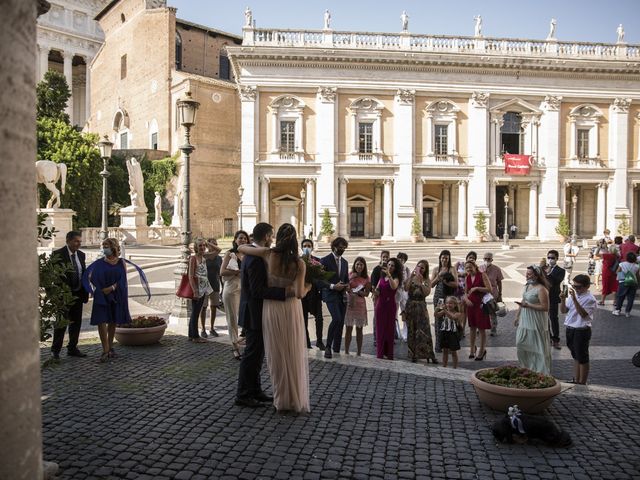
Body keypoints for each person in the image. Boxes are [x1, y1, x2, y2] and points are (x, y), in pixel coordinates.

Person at [239, 223, 310, 413]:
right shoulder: (299, 263)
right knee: (289, 353)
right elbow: (298, 293)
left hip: (270, 310)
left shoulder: (267, 255)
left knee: (274, 355)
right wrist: (308, 286)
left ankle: (271, 394)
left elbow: (240, 247)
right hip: (289, 309)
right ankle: (246, 393)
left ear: (277, 238)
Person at [234, 223, 290, 409]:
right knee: (251, 355)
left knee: (257, 354)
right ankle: (243, 394)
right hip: (254, 314)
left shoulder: (252, 254)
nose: (272, 238)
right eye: (271, 235)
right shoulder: (255, 259)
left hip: (255, 312)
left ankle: (255, 390)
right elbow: (258, 291)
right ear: (266, 236)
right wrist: (283, 293)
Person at [82, 237, 149, 363]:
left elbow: (123, 279)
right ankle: (105, 349)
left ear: (113, 247)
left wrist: (112, 287)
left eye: (106, 246)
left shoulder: (121, 262)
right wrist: (99, 287)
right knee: (101, 321)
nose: (104, 248)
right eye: (103, 246)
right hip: (101, 295)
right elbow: (89, 276)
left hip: (115, 294)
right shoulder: (99, 263)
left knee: (112, 321)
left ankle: (110, 347)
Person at [50, 231, 90, 360]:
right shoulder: (58, 255)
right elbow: (52, 275)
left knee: (76, 322)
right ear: (68, 241)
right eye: (76, 241)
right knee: (61, 323)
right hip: (63, 296)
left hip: (78, 294)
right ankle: (55, 351)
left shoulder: (81, 255)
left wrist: (86, 290)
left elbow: (83, 273)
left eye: (80, 241)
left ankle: (72, 348)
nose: (79, 244)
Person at [560, 274, 597, 385]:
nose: (576, 289)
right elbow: (563, 311)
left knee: (582, 357)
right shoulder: (573, 296)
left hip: (581, 330)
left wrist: (575, 299)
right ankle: (576, 379)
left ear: (587, 287)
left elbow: (583, 315)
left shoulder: (590, 299)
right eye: (574, 286)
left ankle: (582, 382)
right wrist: (562, 300)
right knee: (576, 356)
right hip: (570, 328)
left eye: (579, 287)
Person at [515, 265, 551, 374]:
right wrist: (517, 316)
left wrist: (528, 306)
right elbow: (523, 300)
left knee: (537, 347)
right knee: (521, 343)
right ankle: (526, 367)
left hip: (536, 321)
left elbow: (545, 307)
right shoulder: (527, 286)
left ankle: (539, 371)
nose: (526, 275)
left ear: (537, 275)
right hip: (525, 320)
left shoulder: (541, 289)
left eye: (529, 274)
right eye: (526, 273)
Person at [221, 230, 249, 359]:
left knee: (244, 317)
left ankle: (243, 341)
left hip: (244, 290)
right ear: (235, 240)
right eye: (240, 238)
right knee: (232, 319)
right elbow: (222, 271)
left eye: (245, 238)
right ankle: (235, 347)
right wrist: (237, 272)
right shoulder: (230, 254)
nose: (243, 240)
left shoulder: (248, 255)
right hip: (231, 290)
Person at [188, 238, 221, 344]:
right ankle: (196, 336)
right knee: (195, 313)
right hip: (197, 289)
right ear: (196, 247)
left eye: (203, 246)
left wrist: (207, 243)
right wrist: (195, 291)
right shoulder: (193, 258)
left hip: (204, 288)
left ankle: (191, 335)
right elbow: (191, 276)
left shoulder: (204, 257)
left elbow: (218, 250)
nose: (202, 247)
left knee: (195, 312)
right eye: (200, 246)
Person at [321, 237, 349, 358]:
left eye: (344, 247)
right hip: (330, 294)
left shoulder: (345, 262)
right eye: (340, 247)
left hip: (342, 296)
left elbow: (346, 279)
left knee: (341, 321)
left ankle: (336, 348)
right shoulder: (325, 260)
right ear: (334, 246)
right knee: (336, 318)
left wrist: (346, 286)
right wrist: (333, 286)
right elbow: (319, 280)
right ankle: (328, 346)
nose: (342, 249)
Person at [404, 259, 437, 364]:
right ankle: (413, 354)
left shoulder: (426, 279)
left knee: (424, 331)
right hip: (410, 306)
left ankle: (429, 354)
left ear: (426, 269)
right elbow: (406, 288)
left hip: (421, 307)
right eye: (419, 267)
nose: (420, 269)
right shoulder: (412, 277)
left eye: (422, 267)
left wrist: (421, 282)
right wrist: (411, 277)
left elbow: (427, 292)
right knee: (411, 331)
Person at [463, 260, 491, 361]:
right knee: (472, 328)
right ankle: (472, 349)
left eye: (470, 267)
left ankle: (482, 350)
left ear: (475, 266)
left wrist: (477, 288)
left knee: (481, 328)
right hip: (471, 305)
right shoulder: (467, 277)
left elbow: (489, 289)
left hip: (480, 305)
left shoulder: (482, 275)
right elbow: (465, 292)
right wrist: (466, 299)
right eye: (467, 268)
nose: (469, 269)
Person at [374, 258, 403, 360]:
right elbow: (377, 290)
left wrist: (389, 275)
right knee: (380, 330)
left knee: (389, 331)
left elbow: (394, 286)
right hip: (380, 305)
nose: (390, 267)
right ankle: (380, 353)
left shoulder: (396, 278)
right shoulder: (382, 276)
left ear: (396, 268)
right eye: (389, 265)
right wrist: (374, 292)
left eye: (392, 265)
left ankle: (389, 353)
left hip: (390, 306)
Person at [430, 250, 458, 353]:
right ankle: (438, 346)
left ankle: (449, 345)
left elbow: (456, 284)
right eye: (442, 258)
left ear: (449, 259)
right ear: (440, 258)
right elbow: (431, 285)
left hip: (449, 297)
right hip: (438, 297)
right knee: (438, 320)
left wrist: (446, 282)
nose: (444, 260)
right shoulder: (436, 269)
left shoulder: (452, 269)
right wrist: (439, 276)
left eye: (446, 258)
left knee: (449, 319)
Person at [301, 238, 324, 350]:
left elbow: (321, 277)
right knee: (303, 319)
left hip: (315, 293)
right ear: (301, 248)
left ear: (312, 248)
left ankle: (319, 341)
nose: (307, 248)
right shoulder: (298, 261)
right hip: (303, 294)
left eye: (309, 246)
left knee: (319, 318)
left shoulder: (317, 261)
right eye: (305, 246)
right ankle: (307, 341)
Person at [344, 257, 370, 356]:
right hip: (350, 303)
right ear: (354, 265)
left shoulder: (367, 278)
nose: (359, 266)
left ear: (364, 266)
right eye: (357, 264)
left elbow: (367, 293)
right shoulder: (350, 275)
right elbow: (346, 287)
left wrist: (360, 292)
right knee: (348, 328)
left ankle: (359, 352)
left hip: (360, 305)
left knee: (359, 329)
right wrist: (351, 278)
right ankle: (346, 351)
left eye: (361, 265)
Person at [199, 238, 223, 338]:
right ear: (208, 246)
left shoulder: (219, 258)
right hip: (205, 286)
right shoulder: (204, 256)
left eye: (215, 244)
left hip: (215, 285)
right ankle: (203, 329)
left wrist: (223, 285)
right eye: (211, 245)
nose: (213, 247)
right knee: (203, 308)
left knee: (214, 307)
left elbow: (220, 273)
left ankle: (212, 328)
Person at [544, 249, 565, 350]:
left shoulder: (561, 271)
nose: (550, 260)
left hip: (553, 297)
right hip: (543, 297)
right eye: (549, 258)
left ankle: (556, 339)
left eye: (552, 258)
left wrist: (547, 274)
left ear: (557, 259)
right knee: (544, 318)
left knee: (553, 318)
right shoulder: (543, 269)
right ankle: (548, 337)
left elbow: (555, 281)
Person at [434, 296, 463, 368]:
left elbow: (452, 317)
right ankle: (444, 366)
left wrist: (445, 310)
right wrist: (436, 309)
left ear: (455, 305)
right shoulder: (444, 311)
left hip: (452, 334)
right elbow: (436, 315)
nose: (448, 305)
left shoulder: (457, 313)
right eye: (447, 303)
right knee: (445, 351)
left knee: (453, 351)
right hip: (444, 332)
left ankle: (455, 367)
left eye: (451, 303)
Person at [371, 250, 391, 345]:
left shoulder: (390, 269)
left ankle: (386, 337)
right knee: (377, 318)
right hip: (378, 296)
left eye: (387, 257)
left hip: (388, 297)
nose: (385, 258)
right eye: (384, 257)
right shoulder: (376, 269)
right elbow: (373, 285)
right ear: (381, 257)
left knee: (387, 318)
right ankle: (376, 338)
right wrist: (375, 294)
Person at [480, 252, 503, 336]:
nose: (486, 260)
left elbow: (499, 282)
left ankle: (493, 329)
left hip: (493, 293)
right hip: (482, 293)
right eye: (485, 259)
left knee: (493, 312)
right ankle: (481, 327)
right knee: (481, 311)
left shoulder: (496, 269)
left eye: (488, 259)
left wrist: (500, 294)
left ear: (492, 260)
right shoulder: (479, 268)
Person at [613, 252, 640, 318]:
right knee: (631, 298)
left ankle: (618, 310)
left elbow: (617, 272)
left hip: (623, 282)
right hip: (632, 283)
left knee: (620, 297)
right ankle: (627, 312)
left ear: (627, 258)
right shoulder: (637, 266)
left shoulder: (622, 264)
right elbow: (637, 276)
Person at [396, 252, 411, 341]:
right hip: (396, 293)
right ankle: (397, 334)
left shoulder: (407, 269)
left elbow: (409, 282)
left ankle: (406, 334)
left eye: (402, 259)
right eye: (399, 259)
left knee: (405, 313)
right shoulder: (394, 269)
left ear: (405, 261)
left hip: (404, 293)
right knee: (395, 314)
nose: (400, 260)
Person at [600, 241, 620, 305]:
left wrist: (599, 247)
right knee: (614, 287)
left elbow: (596, 254)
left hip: (606, 273)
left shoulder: (607, 255)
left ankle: (602, 301)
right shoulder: (617, 256)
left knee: (605, 286)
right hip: (614, 273)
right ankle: (615, 301)